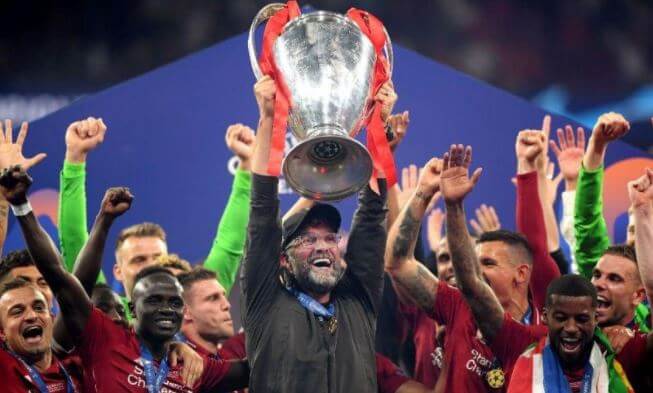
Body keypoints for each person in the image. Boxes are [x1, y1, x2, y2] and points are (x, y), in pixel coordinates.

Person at [0, 165, 247, 392]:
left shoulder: (193, 365)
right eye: (155, 301)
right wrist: (21, 206)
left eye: (174, 303)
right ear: (132, 309)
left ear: (184, 312)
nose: (166, 309)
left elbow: (255, 368)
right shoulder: (104, 338)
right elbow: (62, 276)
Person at [438, 144, 651, 392]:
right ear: (547, 316)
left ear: (639, 295)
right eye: (596, 274)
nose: (599, 283)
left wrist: (643, 211)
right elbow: (475, 284)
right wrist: (455, 207)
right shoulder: (531, 339)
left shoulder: (632, 350)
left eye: (614, 278)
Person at [242, 75, 391, 392]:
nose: (323, 247)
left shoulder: (358, 300)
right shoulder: (265, 301)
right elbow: (262, 209)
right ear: (283, 260)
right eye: (308, 240)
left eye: (329, 238)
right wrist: (268, 117)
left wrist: (378, 125)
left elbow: (372, 214)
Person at [385, 142, 556, 392]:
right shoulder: (457, 305)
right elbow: (398, 264)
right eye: (473, 262)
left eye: (488, 263)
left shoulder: (543, 337)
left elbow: (540, 246)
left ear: (520, 274)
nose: (472, 271)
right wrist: (422, 193)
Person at [59, 118, 254, 315]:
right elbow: (74, 240)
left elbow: (229, 245)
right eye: (138, 260)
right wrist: (75, 159)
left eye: (158, 259)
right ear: (118, 272)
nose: (151, 267)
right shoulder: (109, 315)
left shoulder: (195, 306)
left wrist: (246, 165)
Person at [572, 113, 650, 333]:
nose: (635, 239)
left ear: (639, 295)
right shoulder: (606, 263)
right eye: (632, 229)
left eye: (646, 229)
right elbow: (586, 222)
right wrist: (597, 146)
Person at [0, 277, 82, 392]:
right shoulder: (4, 369)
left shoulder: (78, 368)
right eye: (18, 312)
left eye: (38, 308)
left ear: (52, 319)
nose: (32, 316)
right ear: (2, 332)